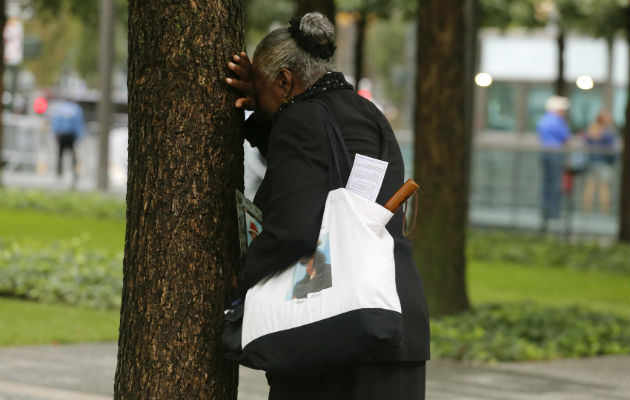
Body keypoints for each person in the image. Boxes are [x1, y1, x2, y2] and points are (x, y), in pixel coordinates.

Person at [226, 12, 429, 400]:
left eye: (262, 90)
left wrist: (243, 276)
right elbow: (327, 173)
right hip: (392, 318)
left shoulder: (300, 119)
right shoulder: (365, 113)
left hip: (334, 335)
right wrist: (262, 118)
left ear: (285, 81)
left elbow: (295, 229)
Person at [536, 95, 571, 230]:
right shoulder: (558, 121)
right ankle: (553, 212)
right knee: (555, 182)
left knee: (546, 183)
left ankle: (545, 211)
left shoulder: (543, 120)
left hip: (544, 153)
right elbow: (565, 137)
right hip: (556, 153)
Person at [582, 111, 617, 215]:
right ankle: (604, 213)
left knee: (590, 188)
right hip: (604, 163)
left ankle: (586, 212)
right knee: (604, 188)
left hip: (592, 162)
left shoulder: (591, 130)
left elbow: (585, 143)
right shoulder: (608, 133)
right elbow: (612, 148)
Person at [50, 99, 85, 178]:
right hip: (71, 135)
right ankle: (75, 171)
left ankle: (59, 172)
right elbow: (79, 123)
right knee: (73, 154)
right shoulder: (76, 108)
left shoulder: (59, 108)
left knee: (60, 153)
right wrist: (79, 136)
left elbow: (55, 122)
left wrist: (55, 134)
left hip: (61, 134)